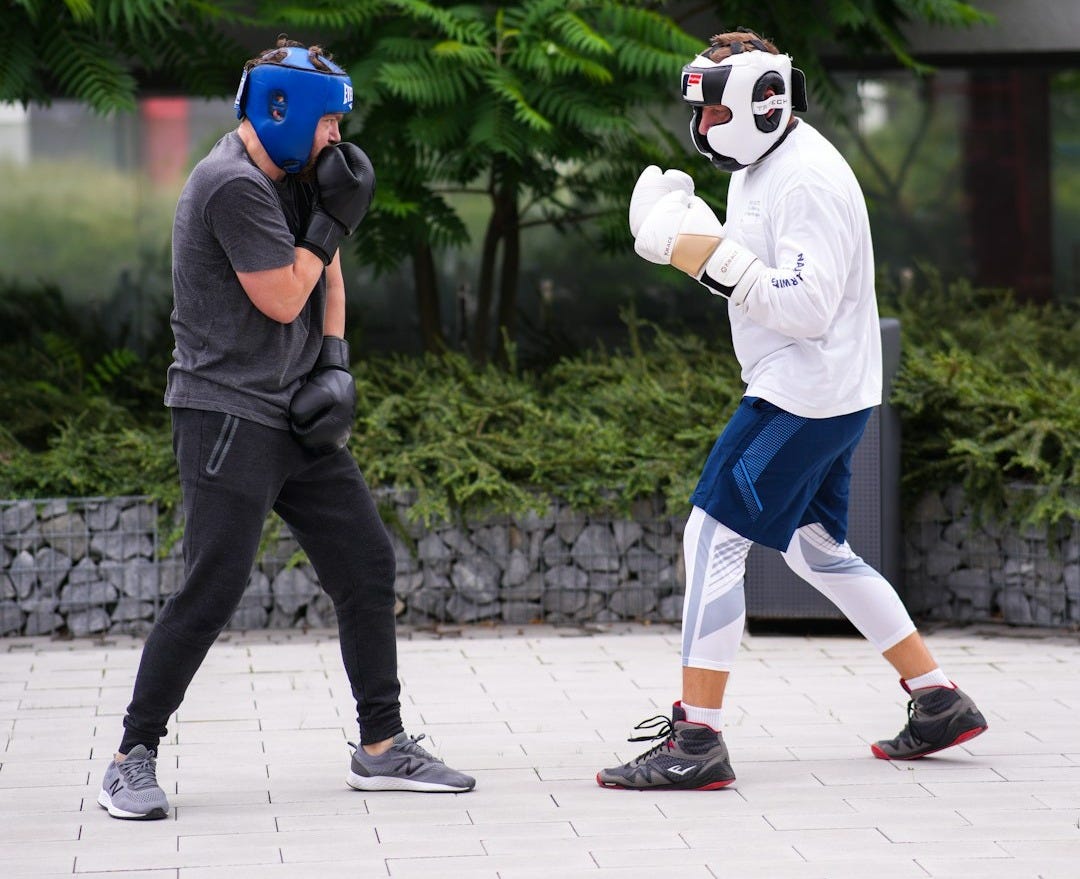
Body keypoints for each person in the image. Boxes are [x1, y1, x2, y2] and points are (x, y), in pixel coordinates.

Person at [597, 29, 987, 791]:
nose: (702, 127)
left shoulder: (806, 177)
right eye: (698, 112)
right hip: (824, 388)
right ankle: (938, 698)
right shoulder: (763, 165)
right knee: (817, 549)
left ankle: (697, 738)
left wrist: (700, 253)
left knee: (711, 535)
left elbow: (806, 306)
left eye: (714, 112)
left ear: (762, 105)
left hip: (803, 390)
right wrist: (701, 236)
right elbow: (764, 271)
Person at [97, 38, 475, 820]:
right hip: (227, 413)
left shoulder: (294, 175)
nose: (337, 136)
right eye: (329, 121)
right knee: (213, 587)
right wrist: (330, 223)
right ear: (283, 109)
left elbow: (327, 274)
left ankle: (381, 745)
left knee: (365, 561)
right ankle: (131, 756)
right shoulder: (230, 184)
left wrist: (334, 361)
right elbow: (281, 294)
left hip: (296, 411)